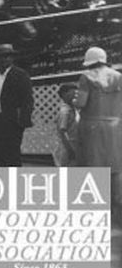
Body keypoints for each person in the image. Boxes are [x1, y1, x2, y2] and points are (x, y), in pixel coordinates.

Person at [72, 47, 121, 225]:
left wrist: (74, 100)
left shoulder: (87, 77)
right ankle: (117, 210)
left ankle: (97, 212)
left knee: (94, 167)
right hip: (115, 126)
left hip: (92, 127)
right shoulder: (118, 76)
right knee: (116, 168)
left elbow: (81, 102)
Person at [0, 43, 33, 166]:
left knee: (12, 155)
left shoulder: (20, 75)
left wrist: (21, 122)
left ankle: (14, 178)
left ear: (12, 58)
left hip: (11, 122)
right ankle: (2, 177)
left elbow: (27, 100)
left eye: (6, 56)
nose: (3, 60)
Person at [52, 83, 79, 167]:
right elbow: (62, 132)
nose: (75, 96)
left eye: (76, 93)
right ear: (64, 94)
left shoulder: (73, 109)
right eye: (73, 93)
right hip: (66, 148)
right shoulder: (65, 112)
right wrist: (70, 150)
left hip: (73, 146)